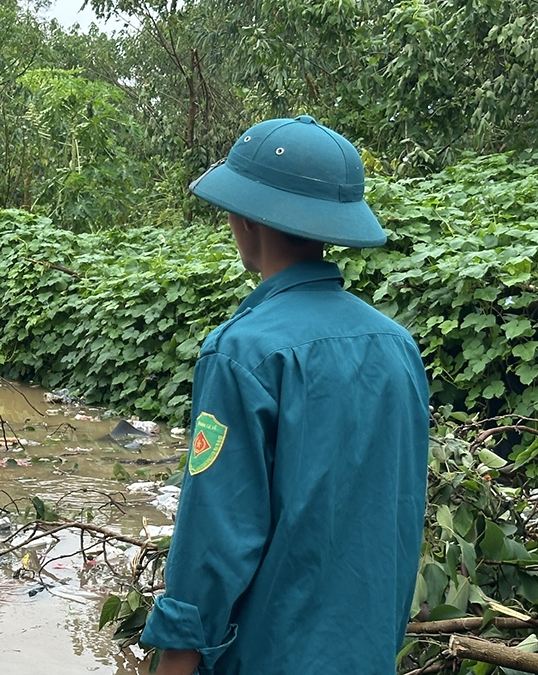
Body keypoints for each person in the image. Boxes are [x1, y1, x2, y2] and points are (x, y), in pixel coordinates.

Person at [139, 116, 431, 675]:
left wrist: (175, 660)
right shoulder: (398, 348)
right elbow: (396, 514)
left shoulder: (242, 353)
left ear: (246, 217)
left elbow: (214, 541)